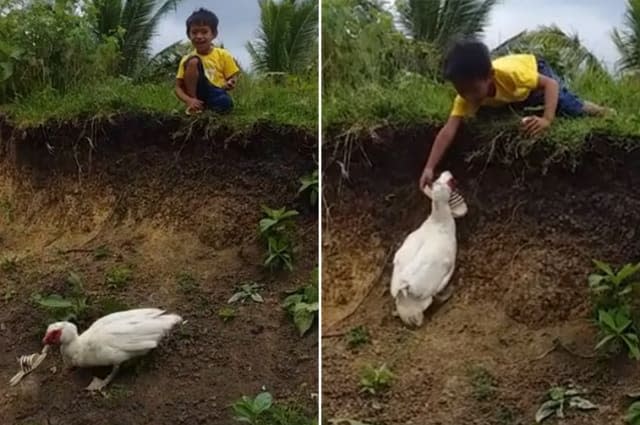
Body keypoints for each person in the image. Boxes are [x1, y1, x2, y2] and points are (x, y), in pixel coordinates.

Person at [419, 39, 613, 189]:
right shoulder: (466, 97)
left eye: (472, 89)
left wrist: (547, 119)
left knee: (566, 104)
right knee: (484, 116)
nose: (468, 97)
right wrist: (429, 167)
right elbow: (448, 130)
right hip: (513, 96)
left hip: (536, 73)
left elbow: (550, 84)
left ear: (489, 76)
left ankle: (602, 111)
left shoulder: (512, 74)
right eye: (461, 91)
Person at [175, 8, 240, 115]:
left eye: (204, 32)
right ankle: (195, 107)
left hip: (216, 93)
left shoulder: (223, 54)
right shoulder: (187, 59)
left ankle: (208, 110)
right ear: (188, 35)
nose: (199, 36)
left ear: (214, 34)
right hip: (197, 93)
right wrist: (189, 100)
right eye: (194, 32)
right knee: (193, 61)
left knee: (225, 102)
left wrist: (231, 82)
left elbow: (233, 76)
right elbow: (178, 87)